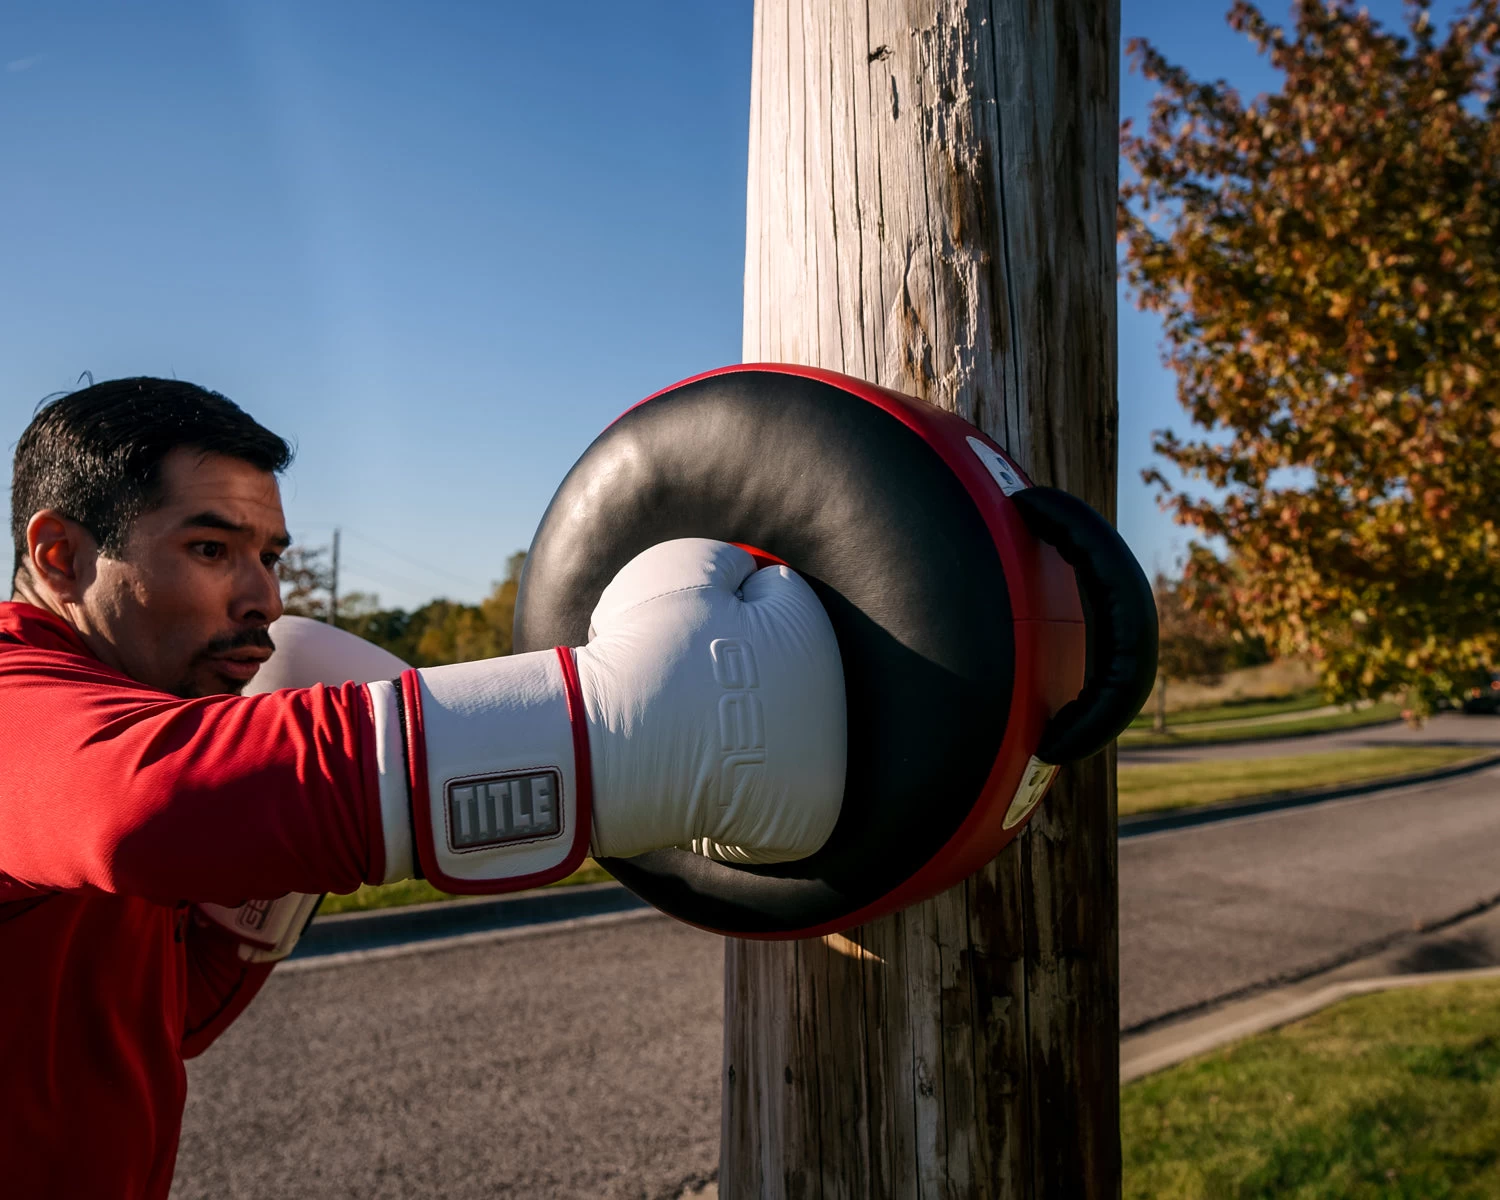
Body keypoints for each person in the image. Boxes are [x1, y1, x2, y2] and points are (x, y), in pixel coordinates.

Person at [0, 377, 846, 1199]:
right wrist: (630, 724)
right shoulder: (16, 701)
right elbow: (148, 804)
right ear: (62, 557)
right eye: (212, 549)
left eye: (269, 556)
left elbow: (157, 1028)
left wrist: (260, 906)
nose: (263, 597)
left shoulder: (133, 710)